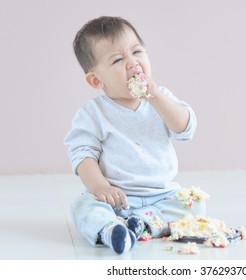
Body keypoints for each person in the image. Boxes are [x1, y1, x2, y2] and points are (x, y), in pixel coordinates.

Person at [64, 16, 206, 254]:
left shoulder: (161, 99)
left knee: (195, 204)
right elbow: (82, 155)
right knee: (82, 206)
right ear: (96, 79)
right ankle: (110, 229)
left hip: (161, 195)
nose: (133, 63)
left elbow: (185, 129)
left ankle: (142, 223)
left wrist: (157, 98)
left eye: (137, 52)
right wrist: (100, 187)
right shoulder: (93, 113)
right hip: (116, 198)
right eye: (118, 60)